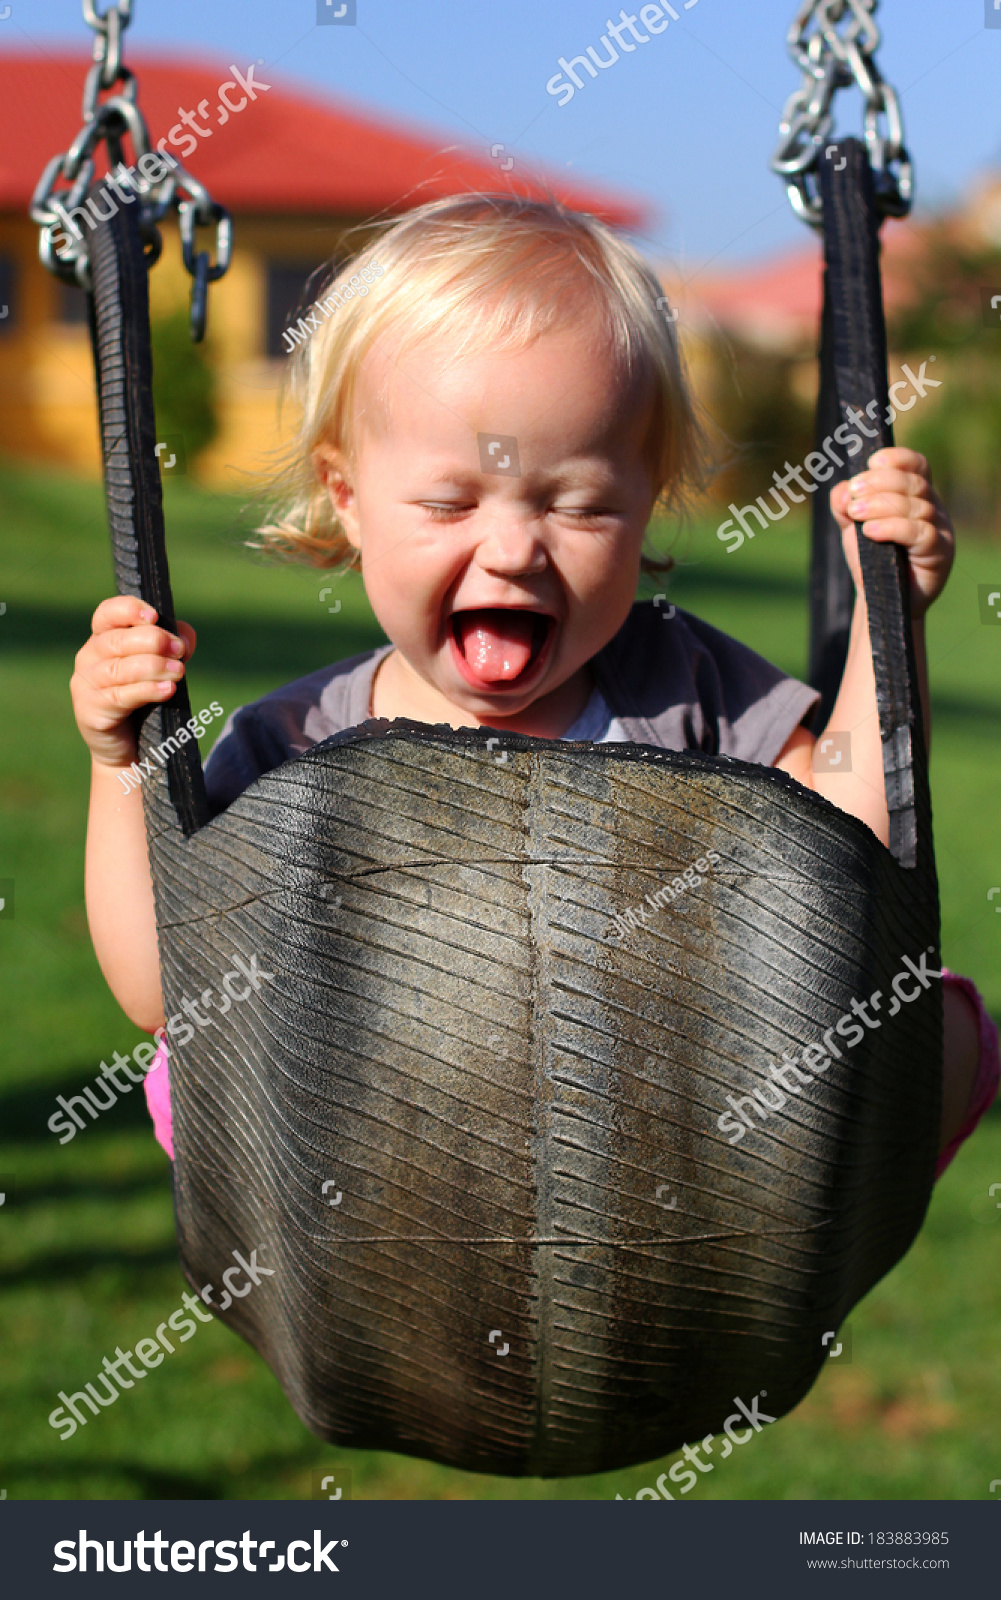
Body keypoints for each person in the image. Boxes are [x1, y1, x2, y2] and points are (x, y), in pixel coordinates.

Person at [69, 195, 997, 1168]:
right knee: (196, 1061)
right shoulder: (297, 744)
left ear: (647, 505)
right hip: (402, 1184)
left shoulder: (687, 689)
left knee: (924, 1023)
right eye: (448, 500)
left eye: (580, 504)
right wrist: (117, 761)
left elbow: (853, 870)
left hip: (672, 1168)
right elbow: (162, 988)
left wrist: (885, 626)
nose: (512, 549)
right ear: (347, 500)